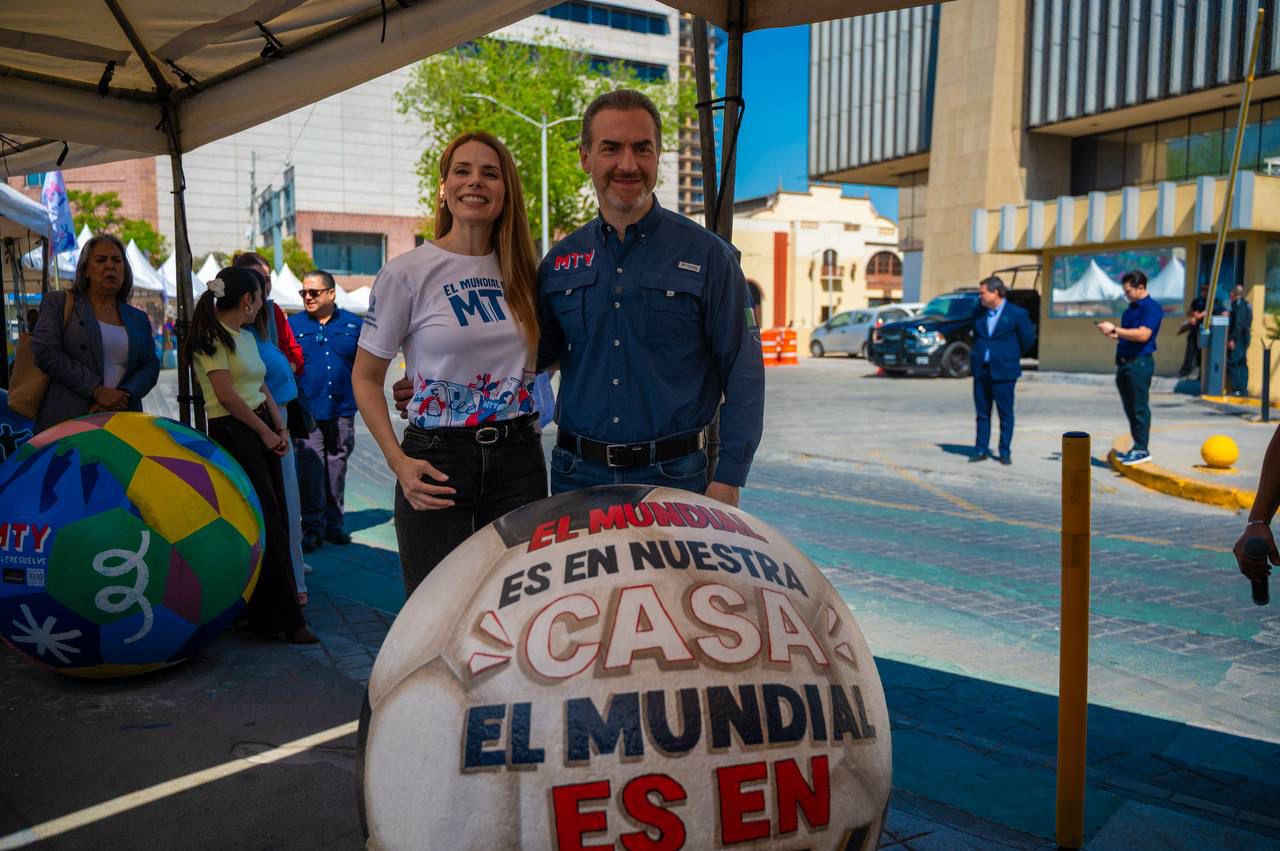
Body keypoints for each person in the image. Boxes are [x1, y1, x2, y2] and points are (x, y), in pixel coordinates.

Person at [534, 89, 764, 505]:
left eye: (642, 149)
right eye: (611, 148)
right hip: (576, 477)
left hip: (677, 478)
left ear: (658, 157)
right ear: (586, 157)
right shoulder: (559, 263)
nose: (628, 164)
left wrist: (729, 477)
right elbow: (530, 358)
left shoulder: (710, 257)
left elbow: (743, 371)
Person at [355, 131, 546, 596]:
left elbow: (545, 359)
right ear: (444, 188)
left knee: (517, 608)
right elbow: (365, 378)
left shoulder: (525, 273)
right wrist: (398, 462)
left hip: (519, 460)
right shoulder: (407, 273)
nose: (475, 181)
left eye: (489, 173)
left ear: (505, 191)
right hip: (438, 461)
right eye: (462, 171)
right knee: (438, 609)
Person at [184, 267, 316, 644]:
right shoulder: (211, 338)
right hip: (235, 432)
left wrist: (279, 428)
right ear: (248, 299)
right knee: (264, 520)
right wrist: (265, 432)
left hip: (259, 428)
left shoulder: (244, 336)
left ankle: (268, 613)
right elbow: (226, 397)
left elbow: (261, 386)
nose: (262, 304)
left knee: (277, 518)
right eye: (260, 296)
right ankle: (286, 619)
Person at [234, 253, 310, 606]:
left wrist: (288, 366)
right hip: (251, 418)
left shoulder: (271, 313)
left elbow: (291, 354)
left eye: (265, 280)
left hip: (277, 414)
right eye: (254, 279)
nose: (262, 286)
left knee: (287, 498)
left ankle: (292, 576)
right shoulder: (232, 327)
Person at [31, 234, 160, 433]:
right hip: (67, 423)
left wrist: (124, 395)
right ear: (86, 270)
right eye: (101, 260)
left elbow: (150, 364)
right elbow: (45, 351)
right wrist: (96, 391)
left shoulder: (138, 318)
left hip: (122, 423)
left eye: (117, 260)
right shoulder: (59, 303)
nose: (110, 266)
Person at [290, 269, 361, 552]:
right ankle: (312, 528)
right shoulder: (293, 325)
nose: (307, 297)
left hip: (342, 408)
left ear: (331, 293)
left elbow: (366, 366)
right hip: (307, 411)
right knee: (310, 471)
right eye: (304, 292)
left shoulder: (354, 324)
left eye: (314, 292)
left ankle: (334, 524)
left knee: (336, 467)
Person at [1097, 270, 1162, 466]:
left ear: (1140, 287)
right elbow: (1128, 336)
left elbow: (1143, 335)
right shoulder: (1130, 310)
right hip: (1124, 362)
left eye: (1128, 291)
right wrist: (1114, 334)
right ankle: (1137, 446)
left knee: (1139, 406)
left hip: (1139, 363)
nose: (1126, 295)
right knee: (1130, 407)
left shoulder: (1150, 308)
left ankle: (1142, 448)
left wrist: (1116, 329)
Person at [968, 275, 1035, 465]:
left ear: (995, 292)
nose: (980, 296)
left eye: (983, 293)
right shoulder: (979, 312)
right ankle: (981, 449)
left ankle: (1004, 451)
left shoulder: (1016, 314)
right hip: (982, 370)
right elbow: (975, 336)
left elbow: (1027, 340)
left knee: (1005, 413)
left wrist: (1008, 355)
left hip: (1004, 371)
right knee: (982, 413)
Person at [1228, 284, 1253, 397]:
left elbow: (1238, 323)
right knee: (1242, 363)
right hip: (1245, 336)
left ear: (1233, 294)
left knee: (1232, 362)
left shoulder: (1238, 305)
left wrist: (1232, 339)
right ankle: (1243, 390)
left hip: (1239, 338)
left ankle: (1238, 389)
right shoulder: (1247, 304)